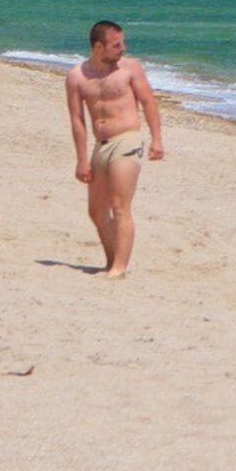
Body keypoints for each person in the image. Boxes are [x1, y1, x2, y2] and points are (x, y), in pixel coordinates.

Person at [63, 18, 163, 277]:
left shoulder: (130, 68)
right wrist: (82, 159)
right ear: (99, 47)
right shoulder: (76, 76)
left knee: (120, 206)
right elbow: (77, 120)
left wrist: (157, 139)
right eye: (117, 45)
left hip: (127, 139)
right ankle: (112, 260)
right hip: (100, 145)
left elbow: (148, 102)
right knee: (96, 212)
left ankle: (119, 268)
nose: (123, 48)